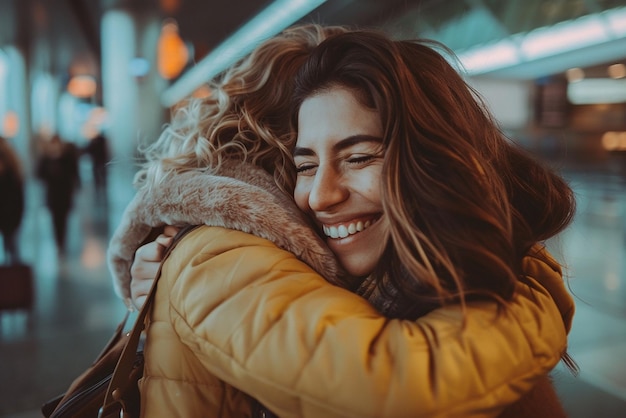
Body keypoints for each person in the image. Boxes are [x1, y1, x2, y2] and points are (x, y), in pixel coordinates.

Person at [108, 25, 576, 417]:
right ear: (274, 146)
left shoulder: (375, 265)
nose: (321, 195)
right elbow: (398, 382)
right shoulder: (220, 249)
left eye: (358, 156)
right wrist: (534, 294)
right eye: (304, 164)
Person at [36, 134, 80, 255]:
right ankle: (58, 242)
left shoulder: (67, 157)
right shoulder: (46, 159)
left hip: (65, 194)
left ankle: (62, 241)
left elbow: (73, 173)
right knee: (55, 220)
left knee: (64, 219)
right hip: (52, 195)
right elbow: (39, 175)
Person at [0, 136, 25, 264]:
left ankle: (14, 279)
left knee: (12, 246)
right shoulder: (13, 171)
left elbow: (18, 198)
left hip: (10, 216)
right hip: (8, 215)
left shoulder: (11, 175)